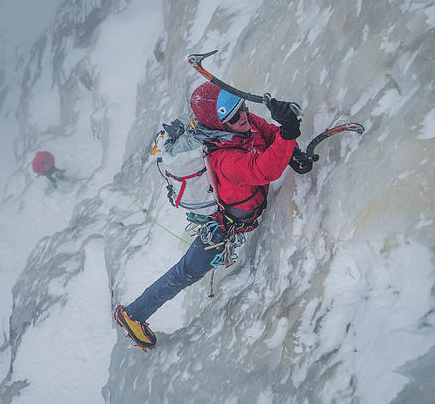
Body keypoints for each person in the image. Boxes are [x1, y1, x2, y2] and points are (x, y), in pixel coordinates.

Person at [114, 82, 311, 350]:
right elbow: (263, 170)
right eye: (234, 116)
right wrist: (288, 137)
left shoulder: (239, 120)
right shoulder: (223, 157)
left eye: (242, 108)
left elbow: (265, 132)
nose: (243, 116)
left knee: (186, 271)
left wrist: (290, 149)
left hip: (239, 215)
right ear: (220, 125)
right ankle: (133, 314)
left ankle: (135, 312)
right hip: (224, 226)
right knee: (185, 272)